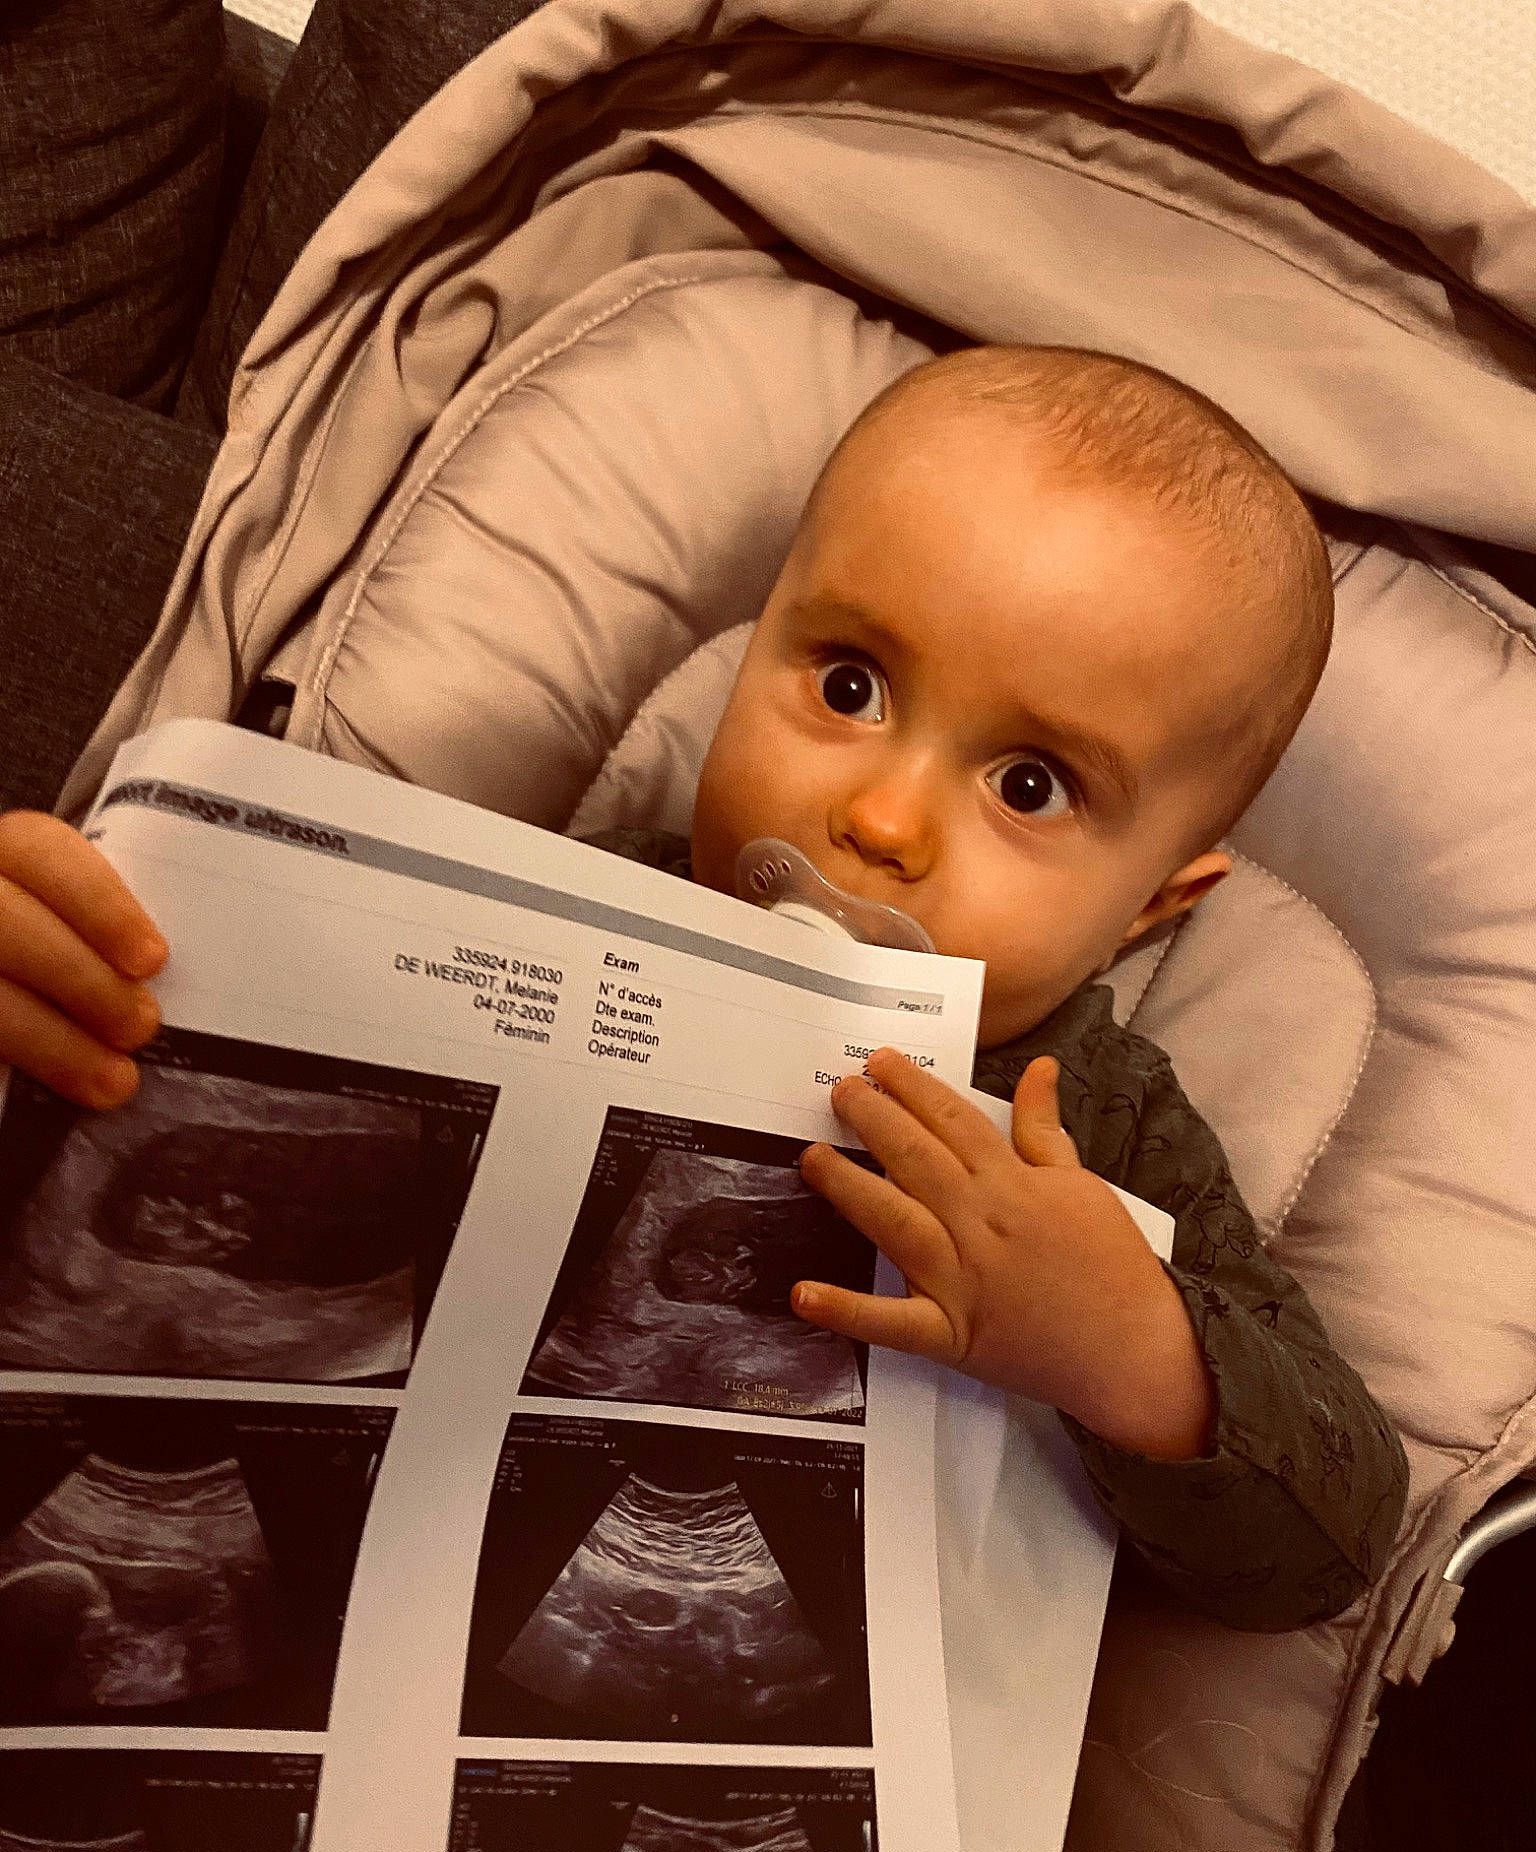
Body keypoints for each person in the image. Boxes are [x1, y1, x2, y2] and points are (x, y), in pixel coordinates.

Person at [0, 340, 1409, 1632]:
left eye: (1029, 786)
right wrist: (85, 996)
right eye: (849, 686)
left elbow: (1337, 1547)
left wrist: (1136, 1353)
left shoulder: (1103, 1124)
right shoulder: (549, 916)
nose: (881, 820)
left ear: (1148, 908)